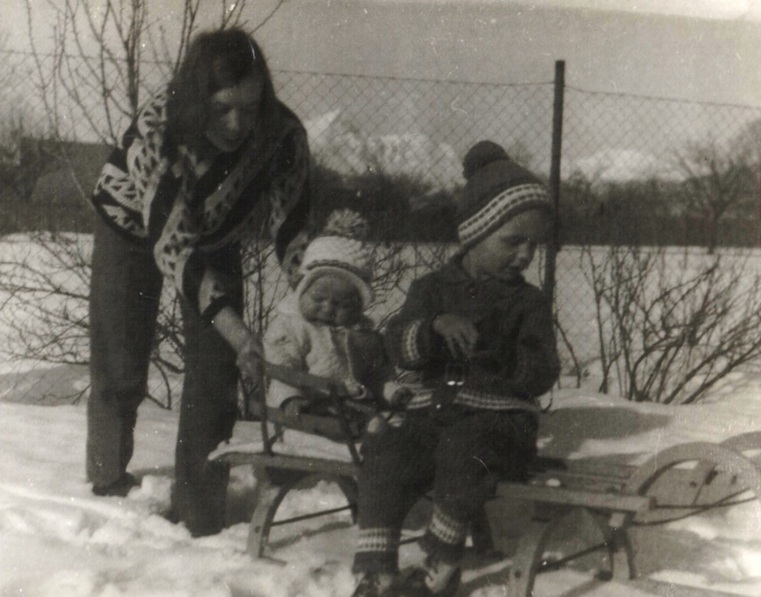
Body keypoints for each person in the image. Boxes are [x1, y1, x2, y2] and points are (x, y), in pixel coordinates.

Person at [85, 28, 310, 537]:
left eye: (250, 108)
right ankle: (107, 482)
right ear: (196, 99)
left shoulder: (283, 136)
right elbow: (175, 250)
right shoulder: (162, 133)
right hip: (133, 227)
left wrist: (316, 301)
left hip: (216, 231)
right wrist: (238, 329)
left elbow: (292, 229)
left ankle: (199, 508)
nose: (237, 123)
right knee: (121, 360)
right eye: (223, 108)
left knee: (217, 370)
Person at [350, 140, 561, 596]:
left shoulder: (528, 302)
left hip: (500, 425)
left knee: (464, 448)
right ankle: (376, 571)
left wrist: (505, 360)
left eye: (533, 245)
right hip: (434, 414)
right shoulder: (431, 289)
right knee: (387, 449)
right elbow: (396, 347)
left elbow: (543, 370)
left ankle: (439, 565)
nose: (524, 255)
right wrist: (431, 329)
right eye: (512, 242)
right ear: (474, 233)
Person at [262, 209, 388, 424]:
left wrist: (390, 390)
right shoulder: (292, 326)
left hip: (351, 408)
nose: (328, 308)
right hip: (306, 408)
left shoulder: (362, 334)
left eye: (342, 304)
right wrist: (290, 400)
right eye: (318, 299)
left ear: (358, 306)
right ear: (302, 290)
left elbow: (377, 374)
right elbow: (282, 368)